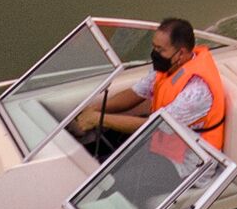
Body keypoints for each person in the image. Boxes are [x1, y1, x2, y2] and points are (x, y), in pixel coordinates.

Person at [71, 18, 227, 157]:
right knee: (98, 144)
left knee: (111, 172)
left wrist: (98, 119)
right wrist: (96, 109)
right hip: (162, 141)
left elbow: (153, 126)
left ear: (181, 53)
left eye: (160, 49)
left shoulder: (196, 92)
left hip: (188, 161)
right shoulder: (167, 66)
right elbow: (136, 92)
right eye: (154, 47)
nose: (154, 54)